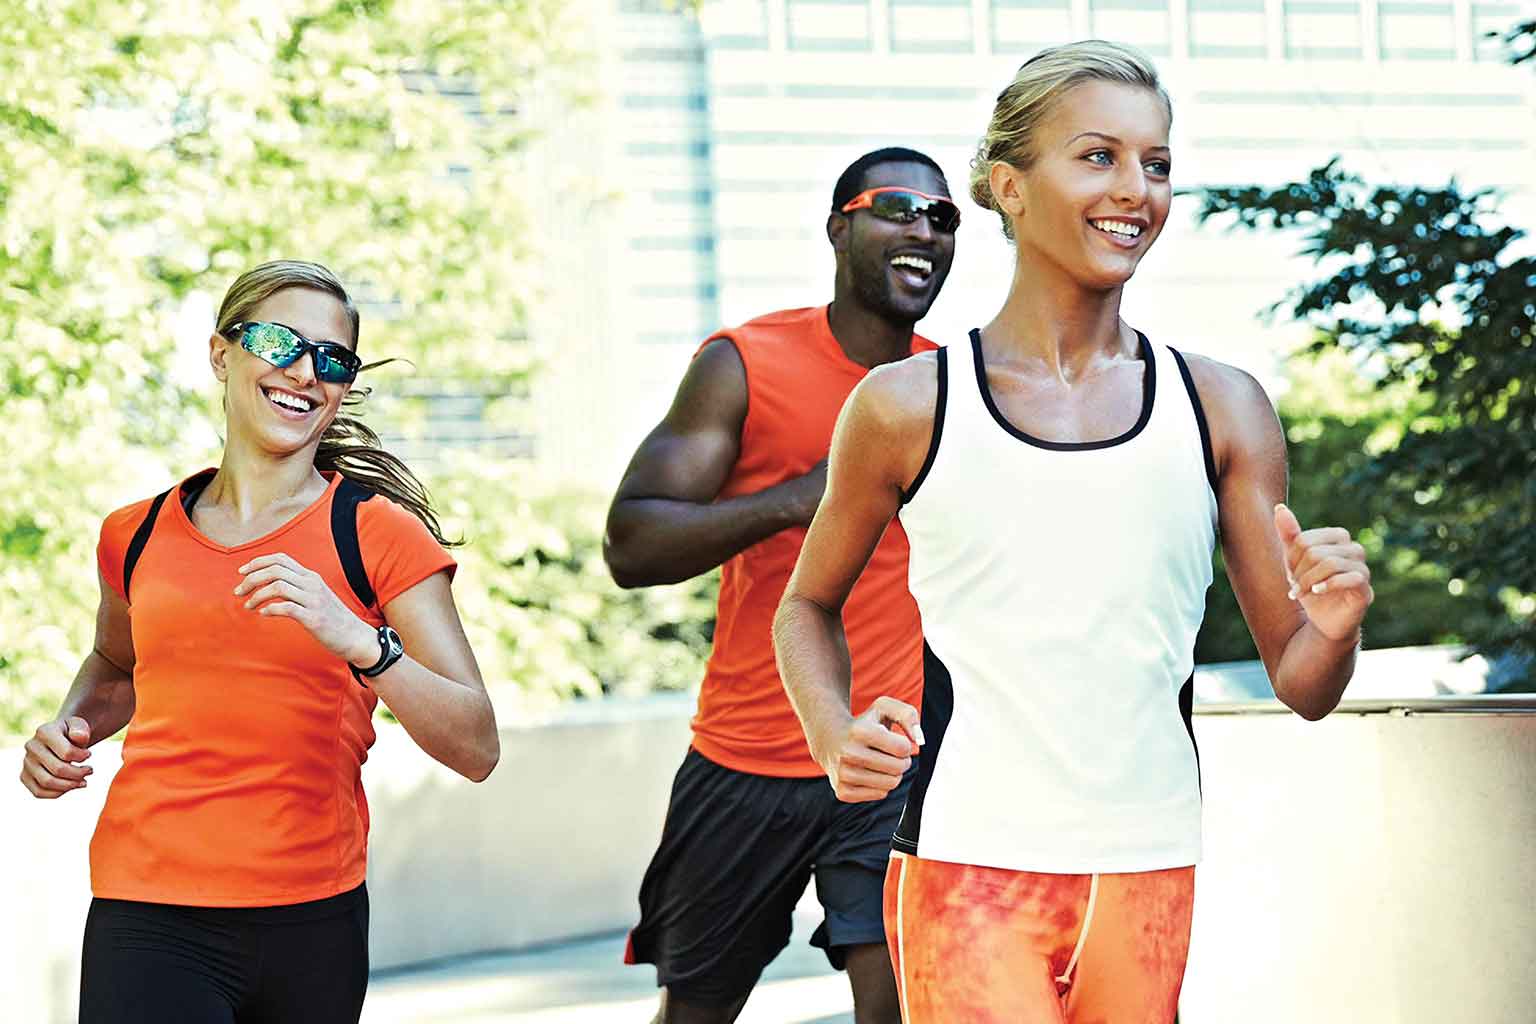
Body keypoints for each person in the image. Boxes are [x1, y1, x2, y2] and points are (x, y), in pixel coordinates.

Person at [773, 42, 1375, 1023]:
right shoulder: (906, 405)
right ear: (1009, 187)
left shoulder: (1222, 407)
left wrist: (1338, 626)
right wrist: (833, 734)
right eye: (1099, 156)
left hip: (1152, 866)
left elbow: (1303, 681)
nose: (1136, 188)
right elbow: (806, 604)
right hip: (968, 865)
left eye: (1157, 163)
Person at [18, 260, 500, 1024]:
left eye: (332, 359)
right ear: (222, 354)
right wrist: (67, 728)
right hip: (147, 910)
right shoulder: (133, 534)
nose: (305, 372)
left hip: (312, 920)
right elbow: (118, 665)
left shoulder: (377, 535)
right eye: (280, 343)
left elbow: (476, 746)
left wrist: (361, 641)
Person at [604, 148, 959, 1023]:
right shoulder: (745, 362)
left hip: (890, 754)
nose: (923, 228)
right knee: (696, 1010)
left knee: (903, 998)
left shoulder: (951, 388)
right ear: (839, 227)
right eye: (897, 207)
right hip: (746, 754)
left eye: (943, 217)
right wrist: (801, 499)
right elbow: (632, 544)